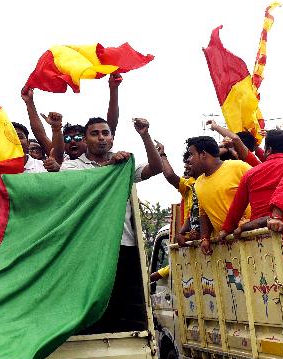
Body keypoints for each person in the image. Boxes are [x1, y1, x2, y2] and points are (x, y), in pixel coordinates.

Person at [61, 116, 161, 332]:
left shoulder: (124, 164)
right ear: (86, 140)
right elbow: (80, 186)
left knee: (128, 307)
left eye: (105, 133)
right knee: (94, 304)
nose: (101, 138)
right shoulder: (71, 166)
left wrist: (145, 136)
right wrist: (109, 166)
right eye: (94, 133)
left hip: (124, 245)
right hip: (88, 248)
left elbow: (156, 167)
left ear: (112, 138)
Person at [220, 129, 283, 238]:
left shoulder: (250, 173)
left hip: (257, 234)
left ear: (268, 150)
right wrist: (276, 217)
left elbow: (237, 205)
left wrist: (226, 229)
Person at [22, 73, 122, 159]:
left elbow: (110, 126)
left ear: (86, 139)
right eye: (67, 139)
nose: (73, 141)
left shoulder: (104, 156)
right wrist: (29, 102)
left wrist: (114, 89)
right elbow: (41, 136)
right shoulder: (61, 160)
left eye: (78, 138)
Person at [186, 136, 251, 254]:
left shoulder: (238, 167)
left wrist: (250, 222)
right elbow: (203, 212)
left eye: (191, 154)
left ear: (203, 154)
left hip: (254, 238)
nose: (189, 160)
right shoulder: (198, 183)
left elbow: (261, 191)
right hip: (227, 247)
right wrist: (205, 238)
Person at [156, 145, 201, 245]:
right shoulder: (189, 185)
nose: (185, 167)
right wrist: (182, 235)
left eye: (189, 163)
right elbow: (170, 175)